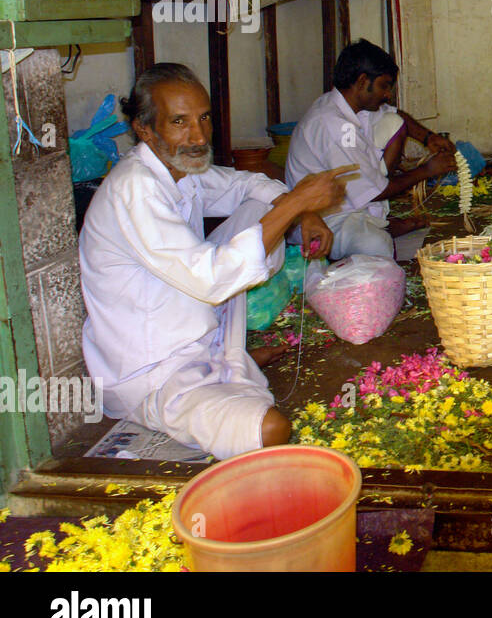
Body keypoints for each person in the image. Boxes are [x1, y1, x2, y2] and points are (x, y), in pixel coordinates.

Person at [80, 64, 352, 460]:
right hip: (151, 371)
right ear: (144, 129)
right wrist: (297, 201)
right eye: (179, 121)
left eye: (204, 117)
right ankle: (218, 369)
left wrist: (303, 213)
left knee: (257, 210)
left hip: (191, 334)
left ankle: (226, 354)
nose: (198, 135)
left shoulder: (179, 168)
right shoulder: (135, 188)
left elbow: (247, 184)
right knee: (271, 429)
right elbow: (211, 281)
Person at [287, 39, 481, 259]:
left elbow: (398, 117)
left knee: (393, 121)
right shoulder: (334, 126)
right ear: (362, 82)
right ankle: (379, 229)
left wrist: (428, 138)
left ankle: (378, 223)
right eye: (384, 85)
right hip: (324, 219)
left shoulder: (353, 105)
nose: (387, 94)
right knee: (376, 245)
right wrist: (427, 170)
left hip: (351, 203)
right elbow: (377, 192)